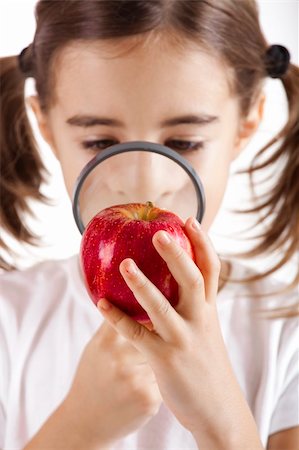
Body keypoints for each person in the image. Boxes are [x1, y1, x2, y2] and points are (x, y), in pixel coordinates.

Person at [0, 1, 298, 449]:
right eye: (100, 141)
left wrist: (221, 421)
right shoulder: (9, 320)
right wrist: (78, 429)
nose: (144, 183)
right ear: (44, 123)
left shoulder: (288, 335)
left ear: (248, 121)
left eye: (184, 142)